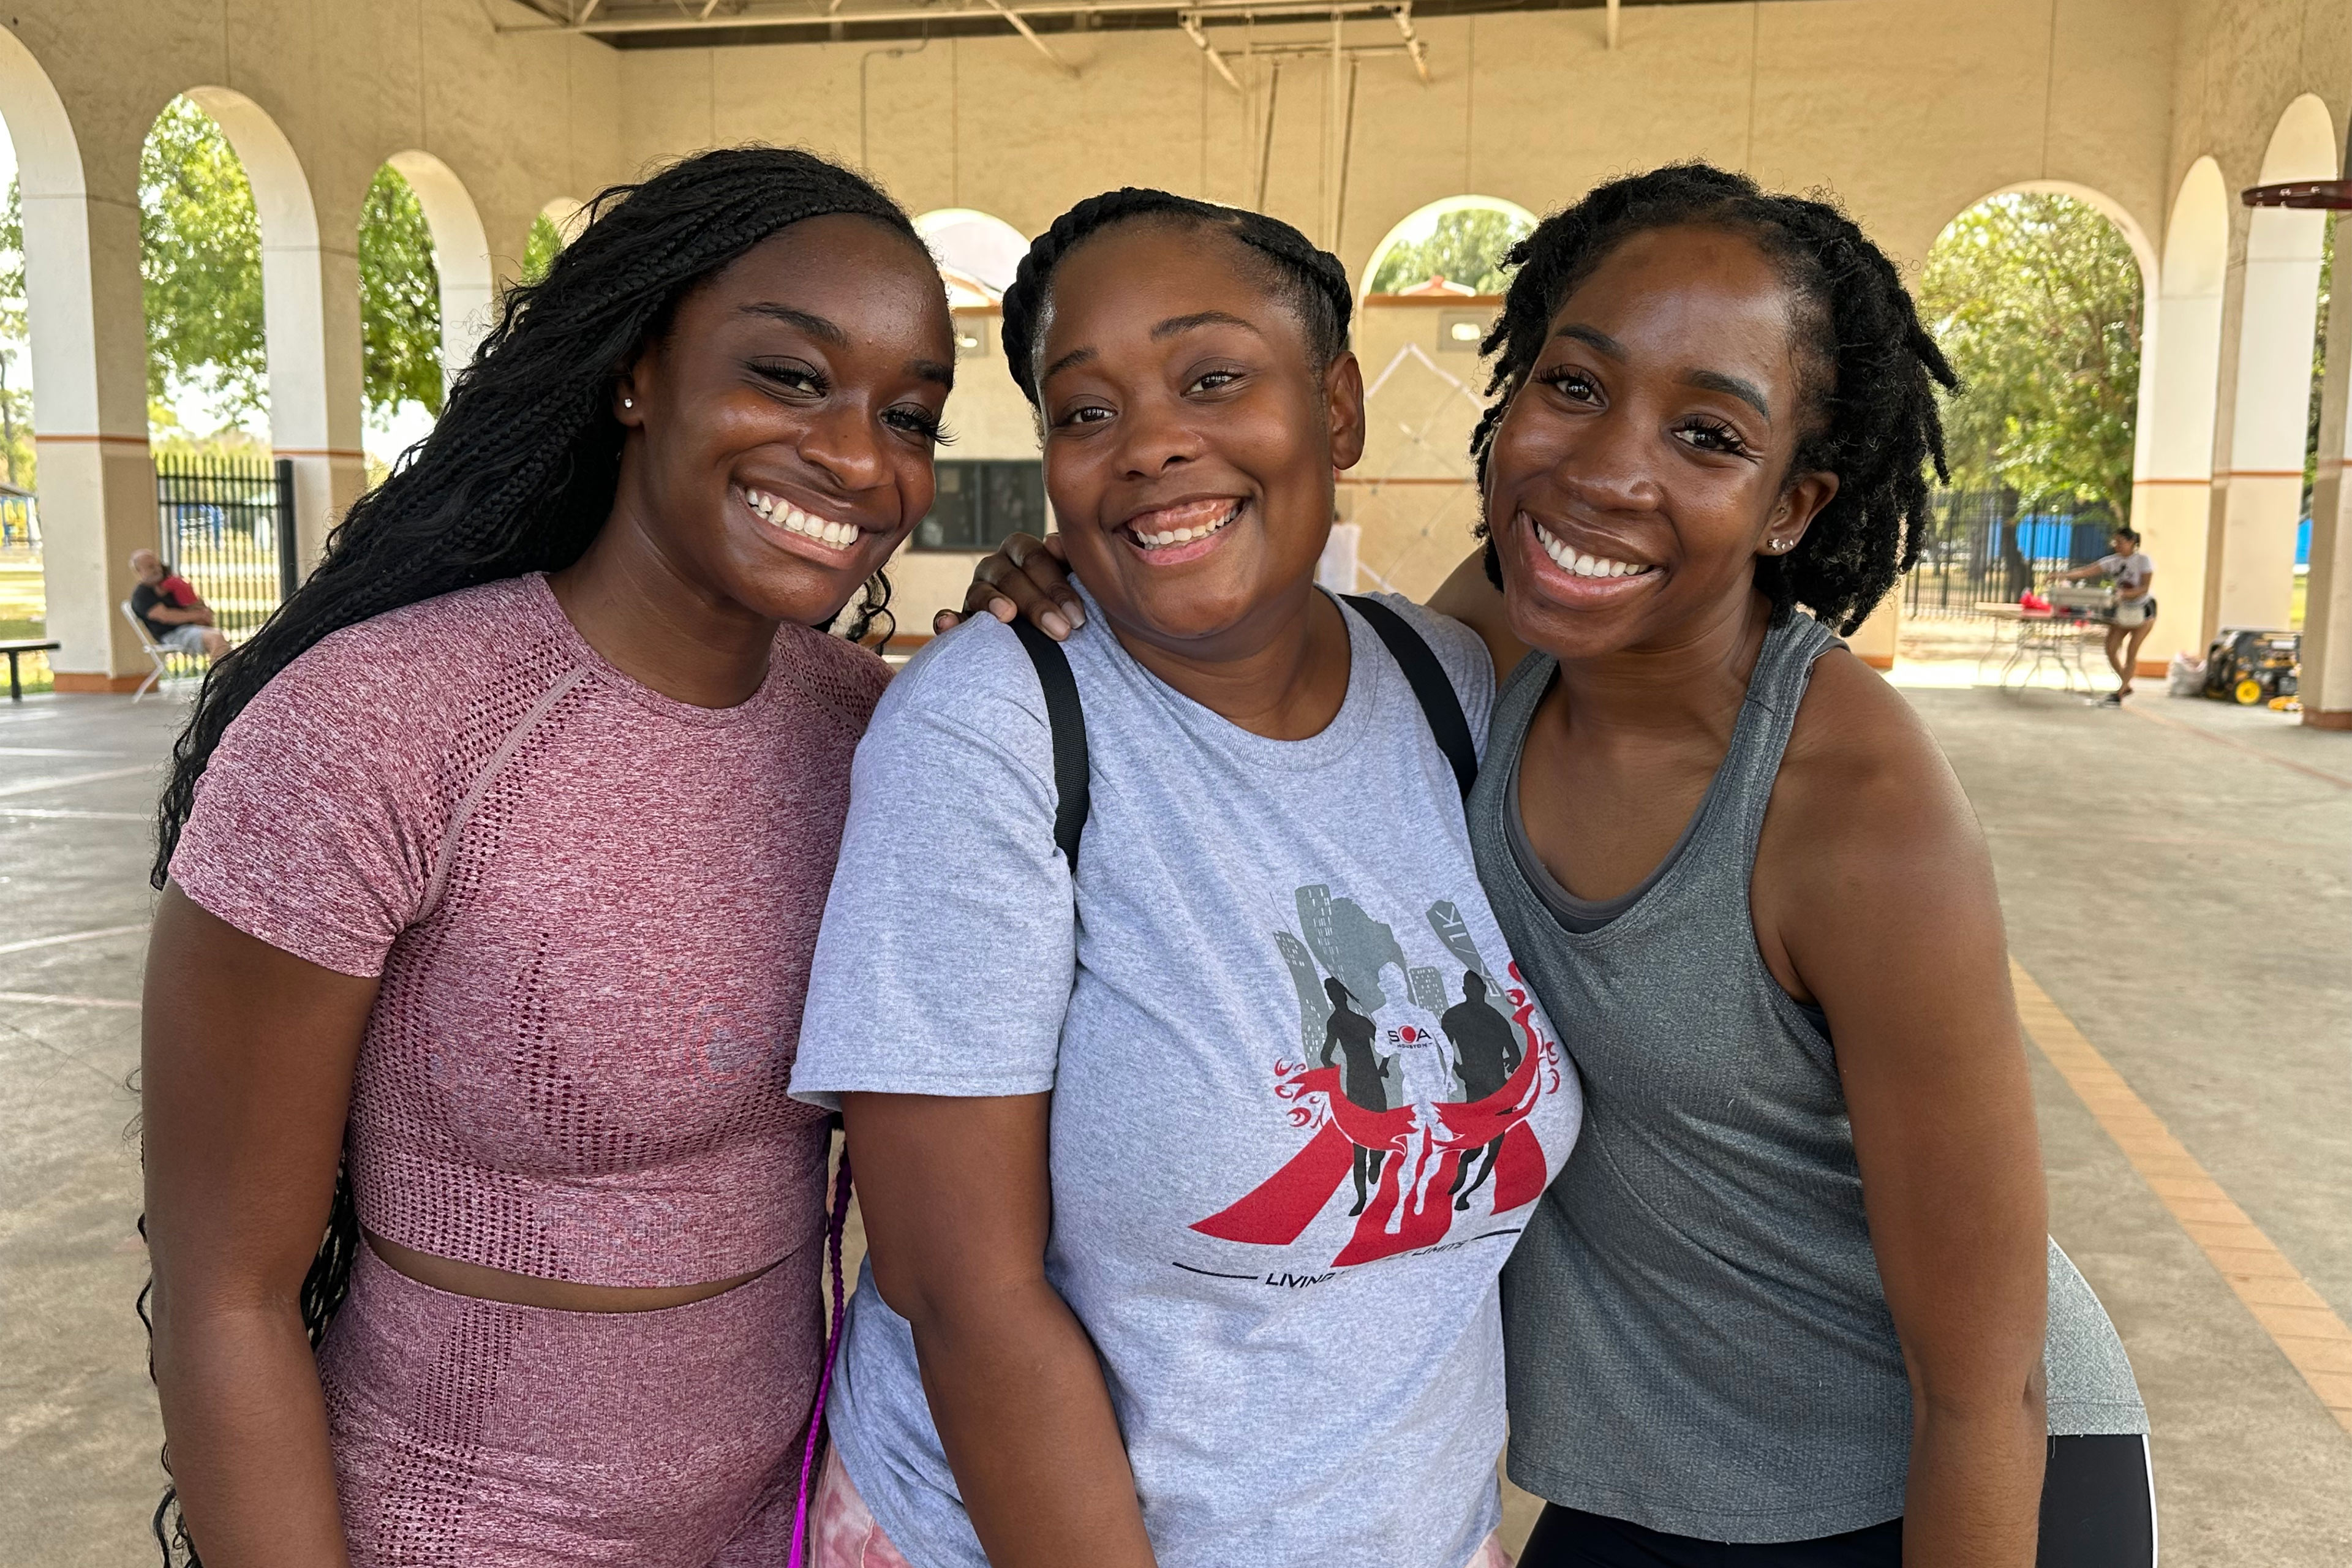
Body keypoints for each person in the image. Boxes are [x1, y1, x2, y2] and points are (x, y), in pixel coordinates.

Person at [952, 164, 2154, 1567]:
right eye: (1574, 387)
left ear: (1789, 501)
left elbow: (1986, 1382)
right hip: (1647, 1475)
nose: (1603, 469)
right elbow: (1259, 637)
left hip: (1945, 1480)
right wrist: (1084, 574)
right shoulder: (1493, 651)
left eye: (1706, 433)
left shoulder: (1855, 809)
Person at [138, 147, 954, 1568]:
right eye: (788, 375)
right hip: (457, 1528)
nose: (857, 457)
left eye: (908, 413)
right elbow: (227, 1299)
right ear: (639, 371)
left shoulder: (884, 738)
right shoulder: (379, 728)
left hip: (791, 1518)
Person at [790, 189, 1582, 1568]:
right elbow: (957, 1288)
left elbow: (1617, 527)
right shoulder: (990, 729)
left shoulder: (1449, 688)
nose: (1151, 441)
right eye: (1085, 412)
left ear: (1337, 409)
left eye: (1213, 378)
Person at [2057, 524, 2155, 706]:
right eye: (2115, 542)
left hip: (2143, 610)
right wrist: (2062, 575)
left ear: (2132, 542)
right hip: (2123, 609)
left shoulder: (2143, 560)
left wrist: (2124, 594)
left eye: (2120, 542)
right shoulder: (2113, 561)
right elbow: (2086, 571)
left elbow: (2144, 588)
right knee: (2111, 647)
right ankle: (2125, 683)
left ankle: (2119, 694)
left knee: (2132, 650)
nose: (2116, 545)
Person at [130, 548, 232, 661]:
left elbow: (193, 603)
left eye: (158, 565)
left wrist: (202, 610)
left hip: (192, 628)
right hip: (172, 635)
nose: (157, 569)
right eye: (150, 567)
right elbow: (166, 616)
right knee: (216, 638)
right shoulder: (142, 595)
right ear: (139, 571)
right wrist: (198, 615)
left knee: (224, 643)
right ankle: (221, 677)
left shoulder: (169, 585)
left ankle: (226, 675)